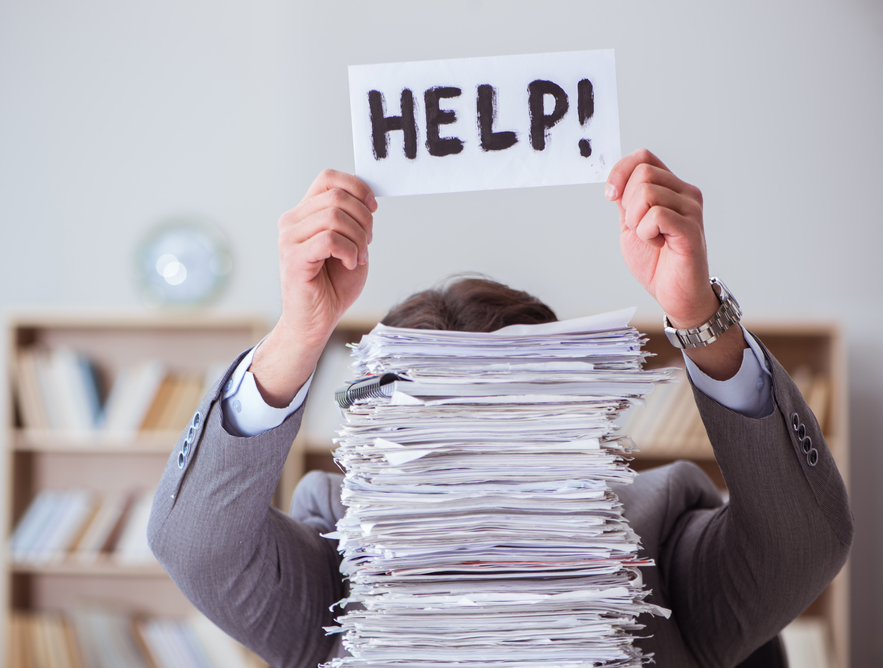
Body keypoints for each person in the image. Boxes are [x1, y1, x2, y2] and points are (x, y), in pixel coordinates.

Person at [147, 149, 854, 668]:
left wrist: (699, 316)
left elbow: (806, 541)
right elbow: (197, 544)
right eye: (438, 429)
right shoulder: (337, 554)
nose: (476, 463)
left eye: (510, 416)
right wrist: (300, 332)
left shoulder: (659, 539)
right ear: (382, 437)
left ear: (570, 417)